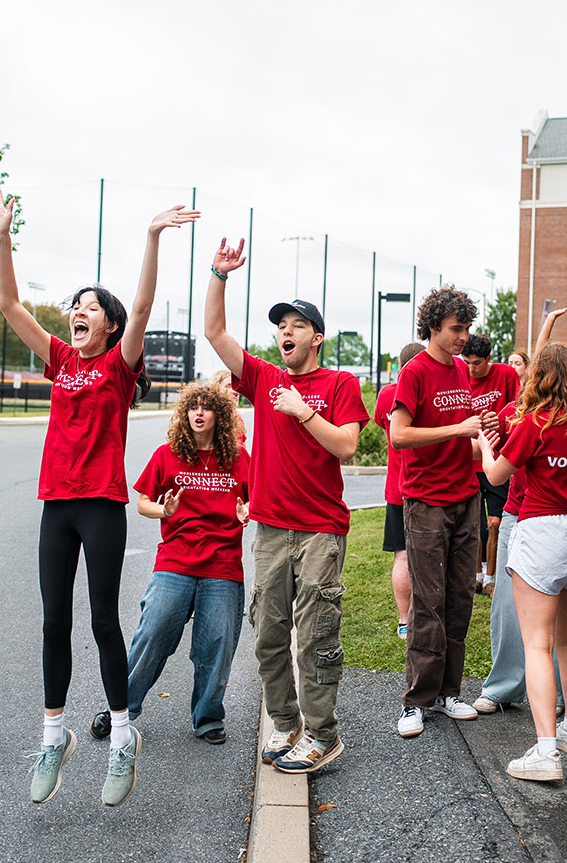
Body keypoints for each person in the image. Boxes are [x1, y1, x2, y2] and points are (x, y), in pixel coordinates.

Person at [0, 188, 198, 806]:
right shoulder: (61, 359)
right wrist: (2, 237)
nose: (78, 312)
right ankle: (55, 735)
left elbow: (146, 301)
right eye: (75, 306)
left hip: (101, 504)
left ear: (112, 325)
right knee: (53, 621)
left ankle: (124, 737)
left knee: (102, 621)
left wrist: (152, 237)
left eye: (91, 307)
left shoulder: (119, 365)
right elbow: (8, 302)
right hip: (57, 505)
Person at [204, 237, 369, 774]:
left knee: (317, 634)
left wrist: (302, 411)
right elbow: (215, 333)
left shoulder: (340, 383)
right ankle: (286, 722)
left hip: (321, 529)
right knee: (269, 634)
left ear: (316, 337)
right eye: (281, 326)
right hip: (272, 529)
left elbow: (346, 445)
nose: (286, 332)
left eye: (296, 325)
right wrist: (219, 274)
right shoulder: (264, 378)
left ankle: (323, 734)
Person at [475, 342, 567, 781]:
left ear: (538, 376)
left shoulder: (537, 421)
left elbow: (498, 475)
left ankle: (545, 751)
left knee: (537, 642)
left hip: (543, 530)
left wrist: (485, 445)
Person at [90, 382, 250, 745]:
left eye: (206, 407)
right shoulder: (168, 455)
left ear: (219, 416)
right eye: (192, 406)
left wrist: (246, 513)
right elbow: (143, 501)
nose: (198, 412)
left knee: (217, 644)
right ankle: (121, 708)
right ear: (184, 414)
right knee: (152, 634)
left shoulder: (239, 459)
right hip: (175, 562)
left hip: (222, 566)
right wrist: (164, 509)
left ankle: (208, 716)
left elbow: (259, 500)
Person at [389, 286, 493, 739]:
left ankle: (449, 693)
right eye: (456, 329)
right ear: (433, 327)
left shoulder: (460, 371)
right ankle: (416, 701)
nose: (463, 338)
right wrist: (459, 427)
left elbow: (461, 444)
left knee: (459, 599)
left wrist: (484, 435)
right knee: (428, 604)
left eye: (467, 329)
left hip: (464, 498)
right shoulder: (415, 371)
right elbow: (399, 435)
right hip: (426, 502)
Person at [472, 395, 565, 718]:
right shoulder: (515, 412)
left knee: (558, 608)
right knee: (507, 604)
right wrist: (487, 438)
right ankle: (504, 687)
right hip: (518, 513)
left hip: (562, 518)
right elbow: (497, 465)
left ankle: (555, 691)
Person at [461, 333, 521, 596]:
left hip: (497, 460)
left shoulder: (506, 374)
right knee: (474, 521)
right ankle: (475, 576)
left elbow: (519, 410)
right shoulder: (459, 376)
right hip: (470, 459)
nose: (471, 369)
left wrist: (501, 421)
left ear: (488, 359)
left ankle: (491, 576)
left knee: (495, 522)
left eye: (476, 363)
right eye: (467, 362)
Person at [374, 342, 426, 639]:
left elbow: (389, 432)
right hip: (427, 486)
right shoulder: (431, 391)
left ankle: (405, 621)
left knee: (402, 555)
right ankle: (426, 618)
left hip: (397, 487)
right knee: (432, 556)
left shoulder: (386, 394)